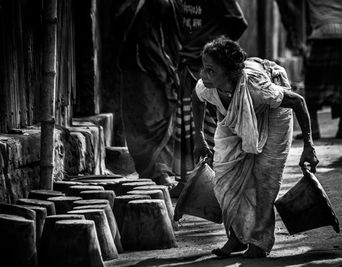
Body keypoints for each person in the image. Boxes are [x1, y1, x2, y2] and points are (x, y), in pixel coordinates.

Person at [192, 37, 319, 258]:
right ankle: (237, 237)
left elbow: (297, 101)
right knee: (225, 176)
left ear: (230, 72)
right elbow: (196, 98)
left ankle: (259, 241)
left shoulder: (256, 86)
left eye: (211, 70)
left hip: (274, 113)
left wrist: (309, 145)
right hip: (234, 113)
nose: (203, 74)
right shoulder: (208, 86)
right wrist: (199, 137)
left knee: (264, 178)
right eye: (204, 67)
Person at [174, 0, 247, 187]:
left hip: (210, 65)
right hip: (187, 61)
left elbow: (238, 22)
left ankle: (220, 180)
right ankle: (194, 182)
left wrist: (217, 53)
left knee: (216, 127)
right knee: (189, 124)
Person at [113, 0, 181, 187]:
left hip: (158, 67)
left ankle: (160, 171)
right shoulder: (128, 6)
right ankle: (146, 171)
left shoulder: (164, 3)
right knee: (138, 121)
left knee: (160, 118)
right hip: (134, 70)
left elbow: (171, 37)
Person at [296, 0, 342, 139]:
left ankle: (314, 129)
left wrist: (300, 41)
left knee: (312, 83)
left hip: (322, 34)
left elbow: (297, 11)